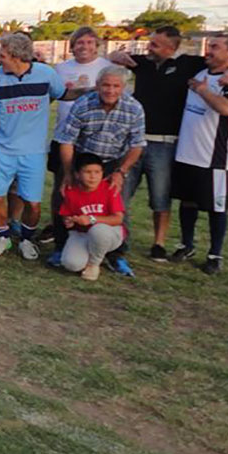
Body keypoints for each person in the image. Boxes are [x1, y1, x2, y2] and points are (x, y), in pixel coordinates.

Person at [108, 26, 228, 260]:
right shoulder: (144, 62)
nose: (149, 48)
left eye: (155, 45)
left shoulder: (190, 65)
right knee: (120, 194)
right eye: (150, 43)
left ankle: (160, 244)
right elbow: (113, 58)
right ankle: (120, 241)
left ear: (171, 48)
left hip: (166, 145)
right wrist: (115, 56)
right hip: (135, 141)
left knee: (161, 198)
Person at [0, 33, 69, 261]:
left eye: (3, 55)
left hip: (34, 151)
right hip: (2, 147)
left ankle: (27, 240)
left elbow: (61, 94)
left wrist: (91, 90)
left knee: (33, 203)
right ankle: (3, 236)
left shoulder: (46, 73)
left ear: (16, 56)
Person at [53, 65, 146, 275]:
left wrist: (121, 172)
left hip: (115, 161)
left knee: (118, 202)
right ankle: (61, 246)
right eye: (106, 85)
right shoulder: (83, 104)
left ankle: (117, 255)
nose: (110, 90)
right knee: (63, 198)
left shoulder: (134, 108)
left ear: (124, 87)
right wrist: (68, 172)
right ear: (97, 85)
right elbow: (67, 141)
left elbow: (137, 145)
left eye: (116, 86)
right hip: (83, 158)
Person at [169, 35, 228, 275]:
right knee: (187, 201)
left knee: (217, 207)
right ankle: (187, 245)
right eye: (209, 45)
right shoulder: (201, 70)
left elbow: (226, 108)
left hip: (213, 157)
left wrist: (203, 91)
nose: (209, 50)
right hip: (186, 152)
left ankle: (215, 254)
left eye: (215, 47)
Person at [47, 27, 111, 246]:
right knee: (61, 187)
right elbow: (52, 97)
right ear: (72, 46)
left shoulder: (107, 67)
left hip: (94, 140)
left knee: (95, 189)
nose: (84, 46)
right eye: (79, 42)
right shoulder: (61, 68)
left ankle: (95, 235)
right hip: (64, 136)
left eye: (90, 42)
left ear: (97, 45)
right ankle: (59, 233)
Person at [58, 153, 126, 281]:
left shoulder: (109, 188)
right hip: (82, 233)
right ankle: (91, 253)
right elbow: (66, 215)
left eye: (97, 172)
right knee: (71, 264)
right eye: (88, 172)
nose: (93, 176)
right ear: (77, 174)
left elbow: (118, 218)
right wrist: (69, 221)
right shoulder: (71, 190)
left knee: (98, 230)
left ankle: (94, 264)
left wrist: (92, 219)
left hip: (109, 232)